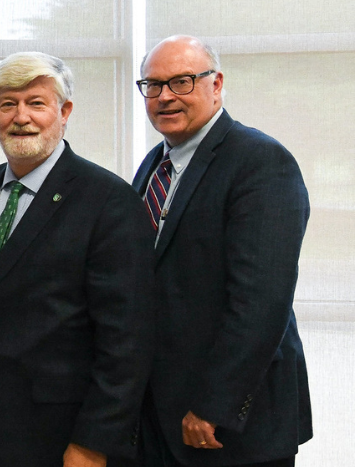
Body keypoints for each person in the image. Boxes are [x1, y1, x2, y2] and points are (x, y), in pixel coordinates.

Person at [0, 52, 156, 467]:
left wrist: (95, 441)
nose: (21, 117)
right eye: (7, 104)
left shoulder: (108, 200)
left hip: (59, 435)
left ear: (64, 111)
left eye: (36, 102)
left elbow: (127, 339)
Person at [130, 35, 312, 467]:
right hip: (160, 415)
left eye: (182, 81)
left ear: (217, 84)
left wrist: (215, 404)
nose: (165, 96)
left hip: (227, 424)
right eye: (153, 85)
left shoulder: (260, 161)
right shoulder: (155, 164)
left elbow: (261, 300)